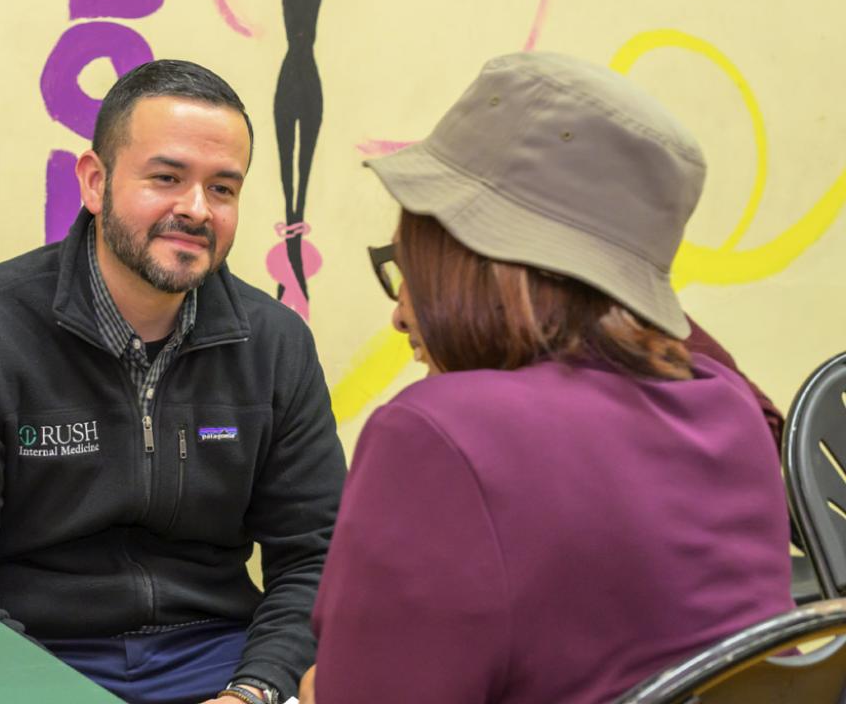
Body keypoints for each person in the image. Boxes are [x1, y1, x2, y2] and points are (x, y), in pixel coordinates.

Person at [304, 52, 793, 703]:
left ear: (471, 261)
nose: (399, 314)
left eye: (412, 264)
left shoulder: (438, 435)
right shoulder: (730, 405)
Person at [0, 59, 346, 704]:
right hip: (28, 658)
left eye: (223, 189)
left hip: (216, 656)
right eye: (166, 178)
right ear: (95, 182)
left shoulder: (275, 343)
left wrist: (255, 689)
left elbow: (315, 559)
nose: (195, 209)